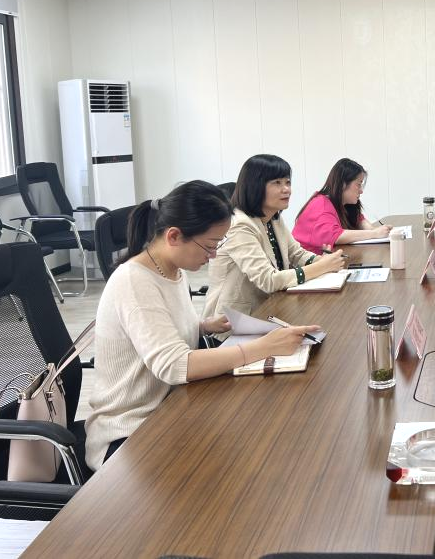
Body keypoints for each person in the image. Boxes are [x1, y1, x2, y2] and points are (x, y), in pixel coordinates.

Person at [85, 181, 319, 471]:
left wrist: (203, 326)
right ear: (174, 236)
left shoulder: (172, 269)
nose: (214, 255)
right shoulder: (134, 281)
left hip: (173, 409)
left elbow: (159, 329)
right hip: (130, 432)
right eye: (209, 246)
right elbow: (174, 365)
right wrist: (262, 348)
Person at [205, 154, 345, 319]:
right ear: (255, 186)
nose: (286, 189)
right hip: (235, 321)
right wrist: (321, 267)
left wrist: (323, 261)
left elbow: (297, 254)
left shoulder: (273, 218)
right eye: (277, 183)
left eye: (288, 182)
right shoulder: (239, 225)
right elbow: (268, 280)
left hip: (271, 308)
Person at [292, 158, 391, 253]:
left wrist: (376, 230)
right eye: (358, 184)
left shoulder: (343, 203)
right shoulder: (321, 204)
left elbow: (359, 220)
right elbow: (337, 236)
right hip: (306, 262)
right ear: (343, 184)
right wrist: (374, 233)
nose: (361, 191)